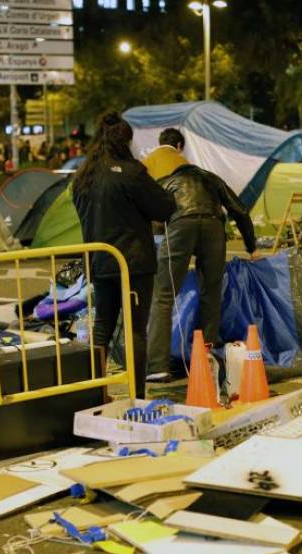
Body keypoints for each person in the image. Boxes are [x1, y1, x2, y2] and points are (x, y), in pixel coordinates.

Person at [71, 111, 176, 398]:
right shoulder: (132, 173)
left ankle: (94, 391)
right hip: (134, 264)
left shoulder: (83, 176)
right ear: (125, 140)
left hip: (98, 261)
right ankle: (137, 394)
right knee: (135, 330)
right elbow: (164, 207)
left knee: (102, 326)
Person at [146, 163, 260, 382]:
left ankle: (157, 366)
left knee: (164, 297)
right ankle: (207, 355)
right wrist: (252, 247)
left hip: (181, 225)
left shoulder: (168, 182)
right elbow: (240, 210)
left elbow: (154, 217)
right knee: (211, 291)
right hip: (213, 225)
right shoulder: (212, 179)